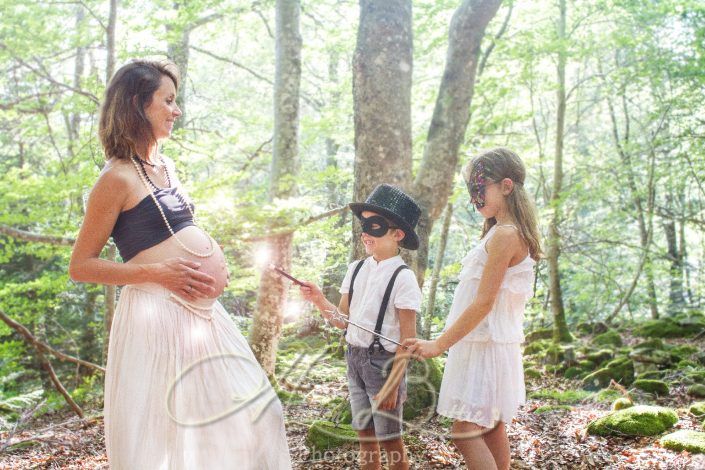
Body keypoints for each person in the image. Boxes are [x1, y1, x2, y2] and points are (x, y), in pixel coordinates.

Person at [68, 60, 291, 469]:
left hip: (203, 318)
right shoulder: (115, 178)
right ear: (138, 104)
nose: (177, 110)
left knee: (260, 415)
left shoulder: (165, 166)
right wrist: (156, 273)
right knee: (171, 436)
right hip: (157, 319)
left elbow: (176, 229)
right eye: (168, 101)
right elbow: (81, 265)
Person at [403, 148, 542, 470]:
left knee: (465, 430)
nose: (473, 199)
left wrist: (438, 344)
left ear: (506, 186)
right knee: (491, 426)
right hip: (485, 343)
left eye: (479, 190)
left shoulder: (507, 235)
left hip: (485, 345)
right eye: (471, 192)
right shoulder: (502, 231)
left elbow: (483, 302)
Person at [299, 184, 422, 470]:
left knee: (390, 440)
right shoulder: (356, 269)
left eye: (374, 225)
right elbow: (343, 320)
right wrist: (318, 299)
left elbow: (409, 340)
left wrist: (393, 385)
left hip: (385, 365)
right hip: (354, 358)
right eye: (363, 224)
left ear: (397, 234)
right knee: (365, 435)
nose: (365, 232)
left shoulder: (403, 278)